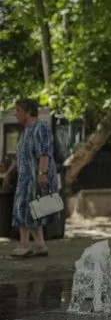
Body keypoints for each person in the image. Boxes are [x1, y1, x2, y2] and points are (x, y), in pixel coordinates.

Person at [1, 99, 59, 258]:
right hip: (24, 178)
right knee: (32, 211)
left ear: (27, 112)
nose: (15, 113)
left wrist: (42, 174)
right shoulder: (25, 131)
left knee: (23, 209)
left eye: (18, 110)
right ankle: (40, 245)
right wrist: (9, 173)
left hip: (35, 178)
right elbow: (19, 157)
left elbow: (44, 153)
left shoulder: (40, 128)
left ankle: (24, 245)